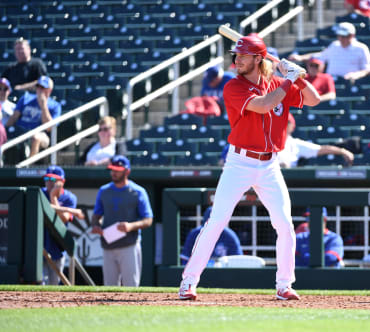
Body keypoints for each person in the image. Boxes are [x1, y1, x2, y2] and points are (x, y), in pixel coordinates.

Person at [178, 34, 322, 301]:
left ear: (258, 59)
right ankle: (188, 281)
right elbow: (264, 104)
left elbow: (314, 100)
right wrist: (290, 79)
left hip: (270, 164)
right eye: (237, 55)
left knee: (284, 223)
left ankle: (284, 284)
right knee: (217, 221)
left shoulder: (278, 82)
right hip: (239, 162)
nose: (237, 59)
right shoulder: (233, 87)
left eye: (243, 55)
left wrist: (297, 76)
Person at [90, 155, 153, 287]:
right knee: (109, 287)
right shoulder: (104, 190)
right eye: (112, 169)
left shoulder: (138, 191)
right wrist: (96, 226)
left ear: (127, 171)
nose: (114, 173)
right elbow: (96, 216)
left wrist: (130, 226)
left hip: (129, 244)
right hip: (108, 244)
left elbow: (148, 220)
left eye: (117, 170)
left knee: (131, 286)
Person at [41, 165, 84, 285]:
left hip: (57, 246)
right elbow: (41, 206)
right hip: (39, 245)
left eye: (54, 180)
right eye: (47, 179)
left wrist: (53, 197)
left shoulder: (69, 197)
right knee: (38, 284)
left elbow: (63, 219)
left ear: (62, 182)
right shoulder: (39, 193)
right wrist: (72, 211)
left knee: (54, 285)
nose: (49, 183)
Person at [289, 22, 370, 81]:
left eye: (345, 36)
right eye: (340, 35)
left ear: (352, 35)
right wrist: (300, 57)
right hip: (331, 81)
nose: (341, 38)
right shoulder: (334, 45)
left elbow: (367, 69)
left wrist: (356, 75)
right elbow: (320, 55)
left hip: (349, 83)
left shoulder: (362, 48)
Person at [5, 76, 61, 158]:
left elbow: (49, 128)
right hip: (21, 131)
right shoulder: (26, 98)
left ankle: (28, 166)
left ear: (49, 90)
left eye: (42, 87)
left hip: (41, 134)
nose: (39, 89)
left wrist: (43, 105)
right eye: (38, 86)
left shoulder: (55, 105)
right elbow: (13, 118)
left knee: (36, 137)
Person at [278, 113, 354, 168]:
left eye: (287, 122)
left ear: (292, 126)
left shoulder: (294, 143)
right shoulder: (267, 140)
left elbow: (321, 149)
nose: (283, 125)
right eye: (280, 121)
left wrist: (343, 151)